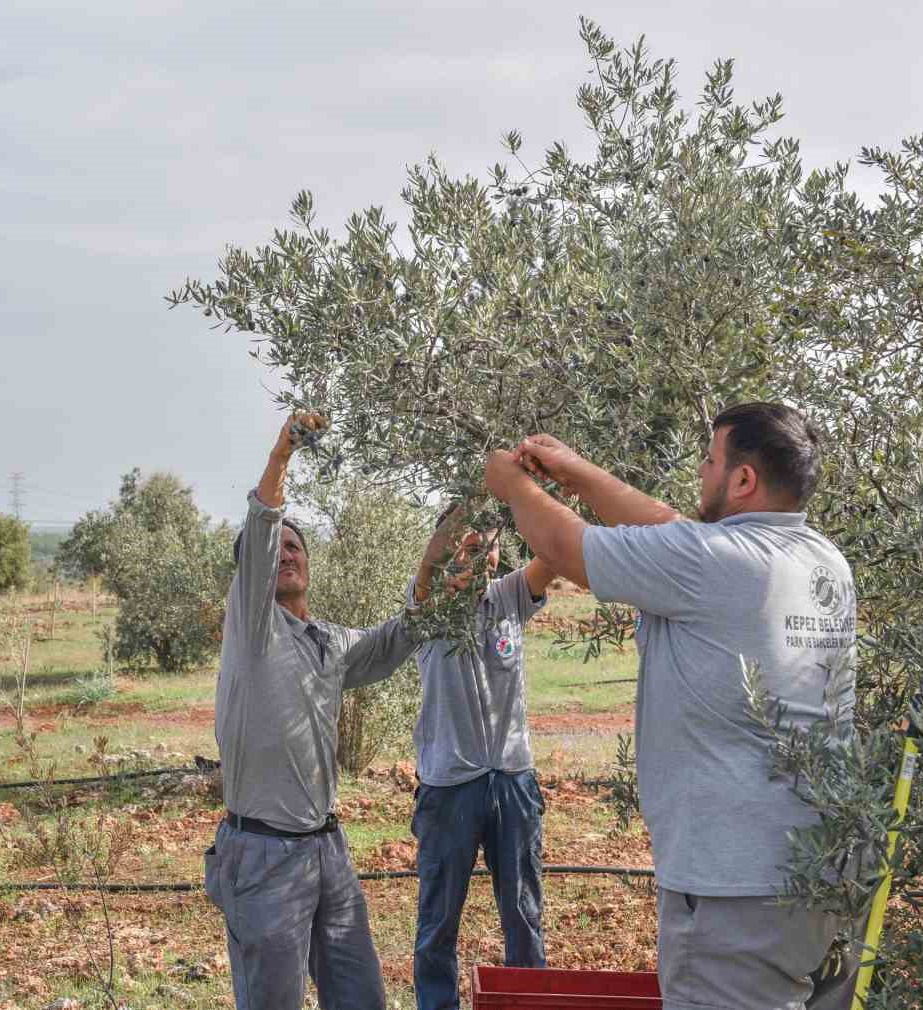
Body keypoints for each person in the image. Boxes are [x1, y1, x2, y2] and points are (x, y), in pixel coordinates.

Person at [481, 402, 858, 1010]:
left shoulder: (715, 564)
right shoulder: (821, 562)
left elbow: (563, 545)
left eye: (711, 461)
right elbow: (669, 527)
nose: (701, 473)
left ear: (743, 480)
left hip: (733, 897)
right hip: (827, 881)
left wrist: (509, 482)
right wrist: (576, 472)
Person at [207, 411, 457, 1010]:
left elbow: (396, 640)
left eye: (297, 545)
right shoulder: (253, 628)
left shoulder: (328, 642)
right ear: (256, 571)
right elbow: (263, 526)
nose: (286, 554)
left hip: (327, 849)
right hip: (263, 856)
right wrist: (282, 454)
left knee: (360, 993)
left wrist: (435, 560)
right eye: (276, 550)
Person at [408, 506, 556, 1010]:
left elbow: (554, 552)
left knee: (523, 913)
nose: (480, 549)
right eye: (468, 539)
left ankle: (529, 1002)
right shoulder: (426, 603)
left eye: (489, 540)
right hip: (450, 786)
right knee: (438, 920)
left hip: (513, 782)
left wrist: (531, 493)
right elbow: (430, 565)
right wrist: (471, 498)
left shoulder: (511, 594)